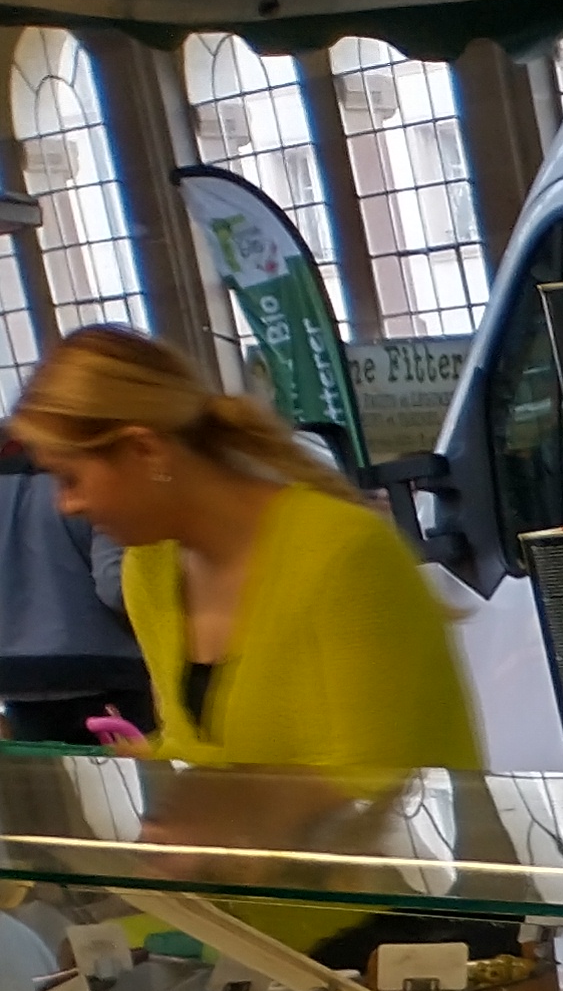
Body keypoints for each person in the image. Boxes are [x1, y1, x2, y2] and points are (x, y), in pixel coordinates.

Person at [3, 325, 476, 773]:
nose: (66, 505)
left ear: (144, 450)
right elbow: (207, 748)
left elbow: (386, 781)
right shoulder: (149, 570)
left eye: (70, 479)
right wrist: (159, 762)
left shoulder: (346, 555)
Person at [0, 432, 146, 746]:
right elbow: (115, 587)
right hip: (109, 674)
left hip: (17, 681)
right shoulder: (92, 456)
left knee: (42, 777)